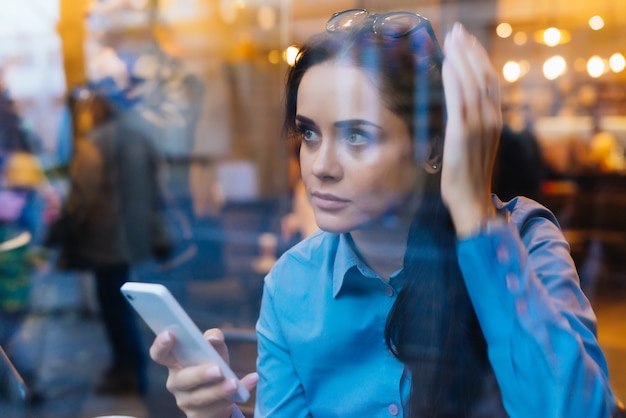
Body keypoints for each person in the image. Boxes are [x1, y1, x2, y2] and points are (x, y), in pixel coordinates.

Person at [150, 9, 620, 417]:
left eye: (357, 135)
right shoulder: (293, 285)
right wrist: (217, 414)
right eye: (309, 133)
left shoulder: (521, 237)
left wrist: (474, 214)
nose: (320, 166)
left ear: (432, 147)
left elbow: (576, 411)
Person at [51, 87, 171, 396]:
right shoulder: (137, 135)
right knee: (122, 304)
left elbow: (82, 197)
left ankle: (128, 371)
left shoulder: (94, 142)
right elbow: (157, 185)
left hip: (105, 239)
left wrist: (61, 228)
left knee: (114, 307)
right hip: (133, 235)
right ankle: (130, 370)